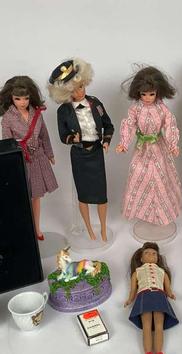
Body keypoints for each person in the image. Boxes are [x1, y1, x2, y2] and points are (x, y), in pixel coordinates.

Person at [48, 58, 114, 241]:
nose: (80, 91)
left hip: (96, 153)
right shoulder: (63, 111)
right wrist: (73, 139)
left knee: (101, 195)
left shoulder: (95, 103)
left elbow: (108, 125)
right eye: (74, 90)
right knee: (82, 195)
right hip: (79, 155)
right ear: (65, 93)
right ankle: (89, 230)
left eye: (81, 86)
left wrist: (106, 141)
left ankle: (103, 228)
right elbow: (63, 136)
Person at [116, 66, 182, 225]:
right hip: (142, 149)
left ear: (158, 92)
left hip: (159, 147)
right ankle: (144, 212)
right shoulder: (135, 109)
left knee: (161, 178)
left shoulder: (162, 108)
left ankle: (162, 213)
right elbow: (129, 124)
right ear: (138, 92)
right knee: (140, 175)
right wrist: (124, 143)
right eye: (143, 94)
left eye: (151, 94)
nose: (147, 98)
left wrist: (173, 144)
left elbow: (170, 124)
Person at [0, 76, 58, 240]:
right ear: (11, 98)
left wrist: (50, 154)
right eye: (17, 98)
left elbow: (44, 135)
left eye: (25, 98)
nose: (22, 102)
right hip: (20, 161)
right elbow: (7, 143)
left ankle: (36, 229)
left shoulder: (36, 112)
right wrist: (11, 164)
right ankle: (24, 230)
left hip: (38, 158)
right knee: (22, 198)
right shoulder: (8, 118)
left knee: (36, 197)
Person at [124, 242, 178, 354]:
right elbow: (133, 290)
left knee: (159, 325)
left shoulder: (162, 272)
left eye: (154, 254)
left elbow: (168, 288)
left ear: (158, 258)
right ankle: (148, 353)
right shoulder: (137, 272)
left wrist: (170, 294)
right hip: (144, 295)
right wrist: (129, 300)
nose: (151, 255)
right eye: (147, 253)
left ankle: (159, 353)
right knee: (146, 326)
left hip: (159, 295)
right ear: (141, 258)